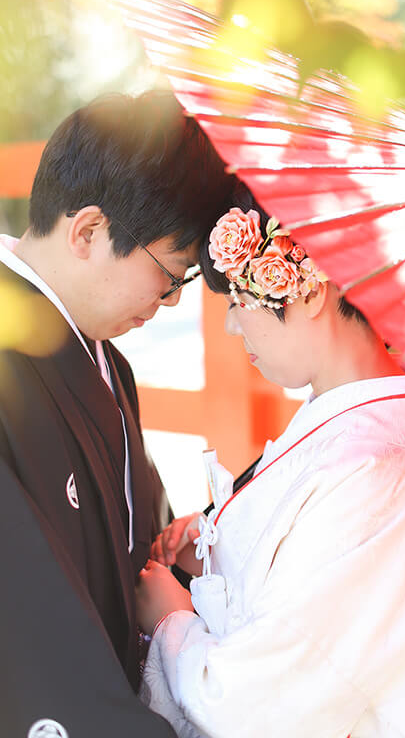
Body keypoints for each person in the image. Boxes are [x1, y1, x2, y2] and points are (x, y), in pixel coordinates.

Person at [136, 179, 405, 738]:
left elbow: (263, 708)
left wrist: (171, 620)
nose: (233, 325)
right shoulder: (375, 444)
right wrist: (217, 547)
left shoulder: (372, 475)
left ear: (309, 290)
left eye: (240, 300)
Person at [0, 90, 231, 738]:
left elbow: (133, 534)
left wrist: (182, 552)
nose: (169, 301)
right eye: (171, 274)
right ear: (89, 232)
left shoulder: (104, 358)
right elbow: (23, 615)